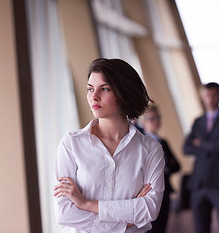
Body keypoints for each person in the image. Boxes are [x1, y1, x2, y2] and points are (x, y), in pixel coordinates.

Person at [53, 58, 165, 232]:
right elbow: (65, 213)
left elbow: (150, 209)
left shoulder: (150, 149)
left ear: (124, 93)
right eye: (90, 89)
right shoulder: (71, 145)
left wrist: (86, 203)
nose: (94, 97)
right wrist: (126, 222)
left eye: (104, 89)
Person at [183, 82, 219, 233]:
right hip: (199, 183)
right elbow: (186, 147)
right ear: (202, 97)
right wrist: (209, 144)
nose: (210, 99)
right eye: (207, 95)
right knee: (201, 228)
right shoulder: (198, 121)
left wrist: (199, 143)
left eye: (214, 95)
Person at [142, 105, 180, 233]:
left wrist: (164, 168)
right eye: (152, 118)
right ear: (144, 122)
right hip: (148, 193)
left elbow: (177, 166)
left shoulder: (163, 142)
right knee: (151, 228)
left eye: (158, 118)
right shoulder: (140, 143)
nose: (156, 121)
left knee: (162, 227)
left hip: (165, 191)